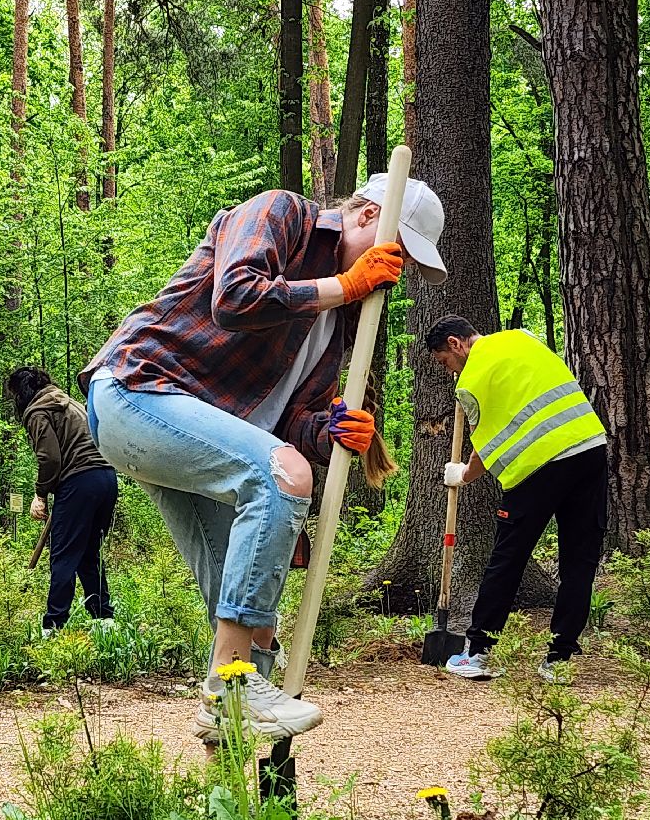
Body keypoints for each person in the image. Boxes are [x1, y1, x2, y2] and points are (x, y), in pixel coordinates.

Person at [80, 173, 448, 741]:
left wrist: (331, 431)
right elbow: (234, 297)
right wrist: (343, 287)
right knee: (282, 474)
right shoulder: (285, 215)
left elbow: (286, 421)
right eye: (398, 254)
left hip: (203, 435)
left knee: (258, 627)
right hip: (138, 391)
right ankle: (231, 687)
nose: (395, 275)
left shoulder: (341, 325)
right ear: (370, 217)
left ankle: (232, 769)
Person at [427, 314, 608, 683]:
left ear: (455, 344)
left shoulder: (470, 384)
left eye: (445, 363)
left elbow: (484, 444)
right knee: (580, 560)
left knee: (507, 560)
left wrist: (461, 475)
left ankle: (477, 653)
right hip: (590, 449)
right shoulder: (522, 338)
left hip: (537, 469)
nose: (449, 372)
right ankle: (560, 661)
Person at [7, 366, 120, 637]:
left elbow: (50, 458)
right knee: (89, 552)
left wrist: (40, 494)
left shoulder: (37, 412)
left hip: (79, 481)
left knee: (64, 554)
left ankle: (53, 626)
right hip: (106, 478)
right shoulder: (71, 404)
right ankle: (103, 620)